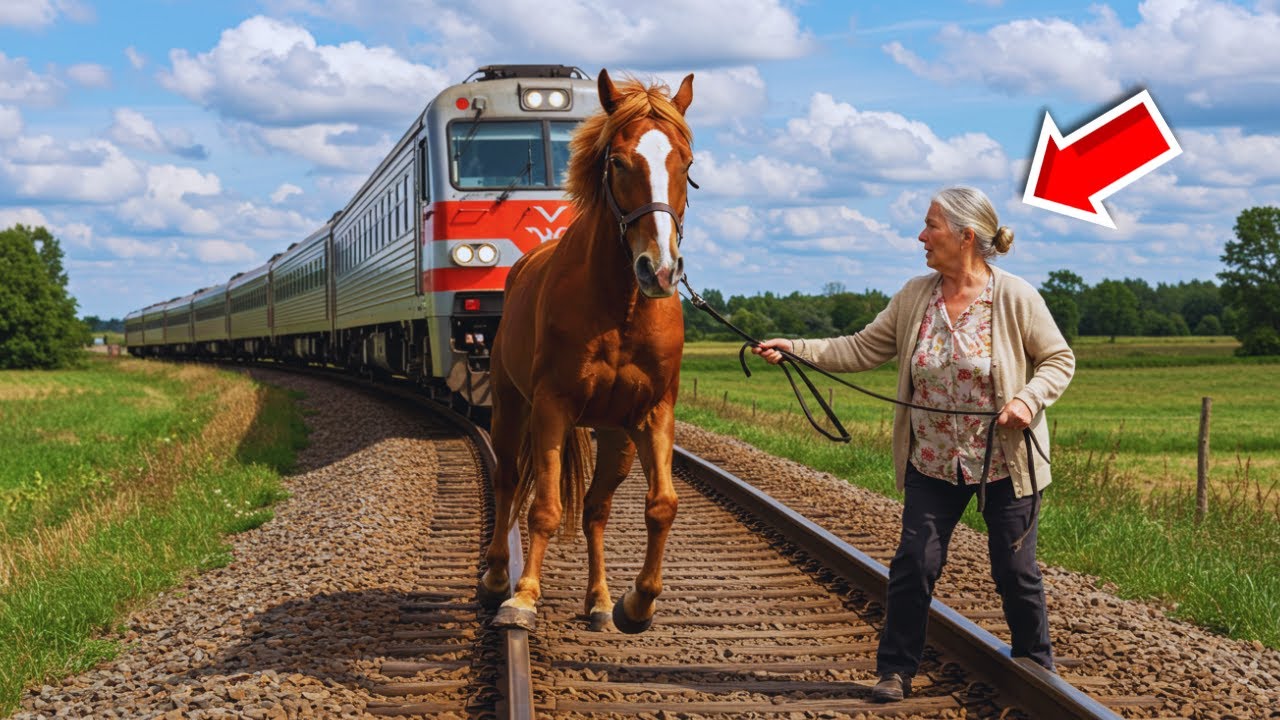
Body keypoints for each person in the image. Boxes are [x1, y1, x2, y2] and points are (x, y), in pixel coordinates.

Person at [754, 187, 1074, 703]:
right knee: (914, 563)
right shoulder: (914, 297)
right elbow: (859, 348)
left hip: (1005, 462)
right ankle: (895, 670)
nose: (921, 237)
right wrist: (796, 349)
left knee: (1014, 572)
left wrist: (1028, 401)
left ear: (966, 236)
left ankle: (1036, 669)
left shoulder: (1014, 297)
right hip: (931, 461)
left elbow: (1059, 360)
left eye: (931, 227)